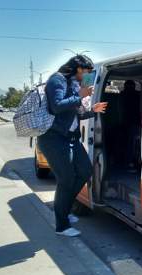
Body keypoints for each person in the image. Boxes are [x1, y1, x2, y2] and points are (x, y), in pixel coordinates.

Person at [37, 55, 107, 237]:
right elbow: (57, 106)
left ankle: (64, 208)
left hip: (71, 138)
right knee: (66, 179)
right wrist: (80, 95)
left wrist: (92, 110)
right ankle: (61, 225)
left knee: (85, 171)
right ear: (78, 68)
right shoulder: (57, 80)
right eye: (86, 72)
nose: (87, 76)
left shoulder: (74, 84)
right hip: (53, 139)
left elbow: (76, 112)